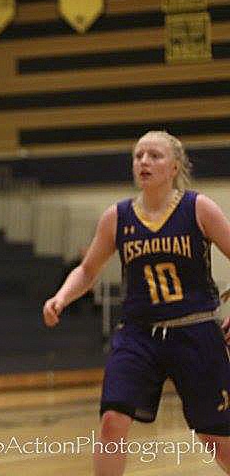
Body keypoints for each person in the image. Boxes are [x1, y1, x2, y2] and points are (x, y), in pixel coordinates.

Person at [43, 131, 230, 475]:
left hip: (195, 331)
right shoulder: (117, 216)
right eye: (138, 155)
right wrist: (62, 296)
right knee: (112, 420)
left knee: (215, 438)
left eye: (154, 156)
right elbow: (87, 270)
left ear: (174, 166)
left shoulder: (198, 207)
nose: (144, 162)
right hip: (138, 335)